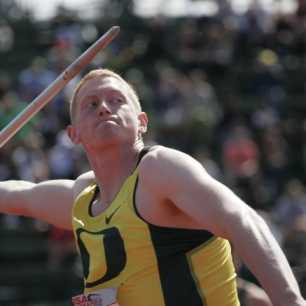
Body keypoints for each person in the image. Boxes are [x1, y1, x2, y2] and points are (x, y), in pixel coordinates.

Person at [0, 68, 305, 306]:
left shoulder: (158, 170)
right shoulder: (83, 198)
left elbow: (242, 219)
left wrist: (290, 301)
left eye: (117, 100)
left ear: (142, 122)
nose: (105, 108)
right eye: (91, 105)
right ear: (73, 134)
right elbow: (19, 195)